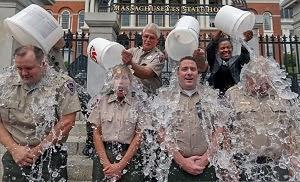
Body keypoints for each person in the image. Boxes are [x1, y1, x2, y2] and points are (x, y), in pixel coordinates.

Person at [0, 45, 81, 181]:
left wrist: (38, 150)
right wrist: (14, 149)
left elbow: (67, 122)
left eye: (29, 68)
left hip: (50, 156)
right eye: (19, 68)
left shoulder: (61, 84)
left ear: (43, 63)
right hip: (15, 156)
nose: (23, 73)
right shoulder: (5, 83)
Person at [225, 57, 300, 181]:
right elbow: (225, 131)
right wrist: (228, 163)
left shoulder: (282, 97)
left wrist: (294, 158)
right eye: (256, 82)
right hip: (244, 164)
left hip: (277, 164)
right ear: (247, 78)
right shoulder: (233, 95)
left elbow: (291, 130)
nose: (261, 87)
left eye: (265, 82)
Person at [157, 56, 228, 181]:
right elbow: (161, 133)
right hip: (176, 165)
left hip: (207, 165)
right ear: (178, 73)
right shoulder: (165, 98)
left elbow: (220, 129)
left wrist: (206, 158)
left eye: (193, 69)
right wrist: (182, 162)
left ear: (198, 73)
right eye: (184, 69)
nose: (189, 72)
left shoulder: (210, 96)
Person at [89, 64, 144, 181]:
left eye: (124, 78)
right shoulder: (101, 102)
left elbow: (139, 135)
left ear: (130, 82)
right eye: (116, 78)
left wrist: (120, 165)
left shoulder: (138, 105)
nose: (120, 82)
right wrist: (106, 164)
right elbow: (96, 134)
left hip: (129, 156)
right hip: (105, 154)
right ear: (111, 81)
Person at [121, 23, 165, 95]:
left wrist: (130, 63)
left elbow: (147, 73)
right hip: (130, 97)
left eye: (152, 37)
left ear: (157, 40)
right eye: (146, 36)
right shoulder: (133, 51)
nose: (148, 40)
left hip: (148, 99)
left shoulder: (159, 56)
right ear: (142, 37)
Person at [206, 30, 253, 94]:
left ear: (232, 48)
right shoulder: (214, 61)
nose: (226, 50)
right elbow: (209, 49)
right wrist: (220, 30)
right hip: (215, 96)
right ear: (217, 50)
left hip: (234, 95)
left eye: (228, 47)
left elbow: (246, 58)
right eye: (222, 48)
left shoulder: (236, 60)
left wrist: (244, 41)